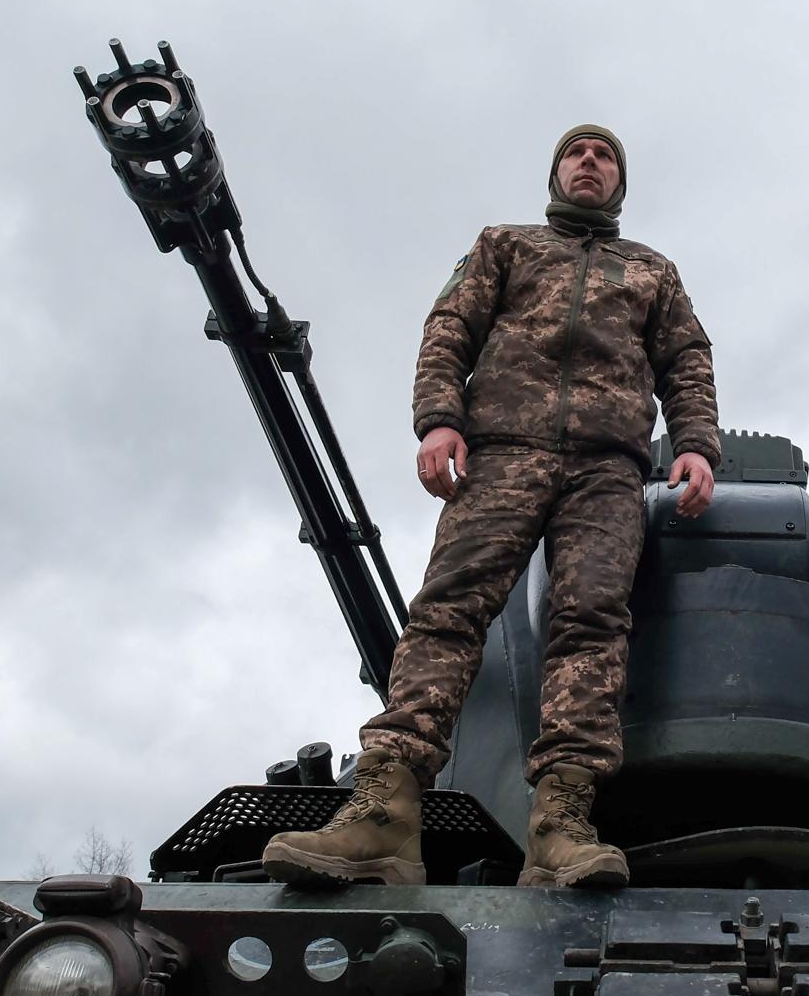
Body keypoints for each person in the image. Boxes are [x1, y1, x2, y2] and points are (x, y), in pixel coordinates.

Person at [262, 125, 721, 889]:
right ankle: (384, 813)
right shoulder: (506, 245)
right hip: (502, 450)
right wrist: (439, 418)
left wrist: (697, 443)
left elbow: (686, 359)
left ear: (620, 182)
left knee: (592, 626)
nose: (589, 162)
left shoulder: (651, 271)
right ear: (556, 172)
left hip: (607, 469)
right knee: (447, 609)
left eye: (605, 156)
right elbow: (451, 327)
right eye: (576, 152)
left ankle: (560, 826)